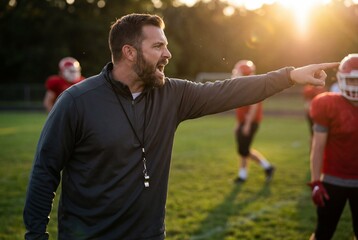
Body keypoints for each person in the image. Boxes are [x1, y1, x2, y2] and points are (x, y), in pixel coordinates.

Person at [23, 13, 339, 240]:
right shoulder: (77, 101)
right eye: (158, 46)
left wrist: (290, 75)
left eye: (166, 45)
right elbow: (45, 171)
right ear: (129, 53)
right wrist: (35, 235)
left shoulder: (173, 94)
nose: (168, 54)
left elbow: (229, 91)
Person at [308, 53, 358, 240]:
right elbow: (318, 146)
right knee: (323, 232)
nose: (356, 86)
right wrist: (315, 182)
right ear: (342, 79)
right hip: (333, 179)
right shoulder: (328, 104)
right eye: (352, 81)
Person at [232, 60, 274, 183]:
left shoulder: (252, 86)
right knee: (243, 149)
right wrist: (238, 123)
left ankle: (264, 168)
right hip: (243, 122)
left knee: (243, 150)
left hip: (250, 123)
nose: (236, 74)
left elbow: (254, 107)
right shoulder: (243, 85)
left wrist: (247, 124)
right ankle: (244, 174)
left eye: (239, 71)